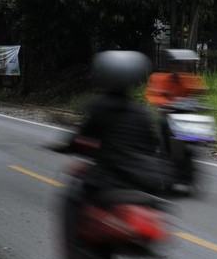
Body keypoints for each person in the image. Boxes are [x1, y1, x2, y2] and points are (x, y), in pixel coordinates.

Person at [56, 50, 171, 193]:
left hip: (109, 179)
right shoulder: (142, 111)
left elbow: (82, 137)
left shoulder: (99, 107)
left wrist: (67, 146)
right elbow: (153, 144)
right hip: (144, 180)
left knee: (78, 192)